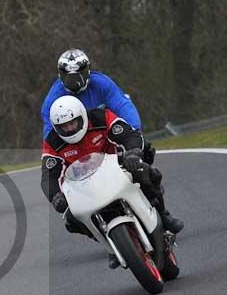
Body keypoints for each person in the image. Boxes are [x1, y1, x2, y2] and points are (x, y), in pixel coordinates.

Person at [41, 96, 184, 268]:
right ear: (56, 128)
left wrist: (133, 152)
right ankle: (110, 245)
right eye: (63, 127)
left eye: (73, 123)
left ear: (82, 115)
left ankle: (163, 215)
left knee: (149, 172)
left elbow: (129, 134)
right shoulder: (52, 142)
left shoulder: (101, 117)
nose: (70, 129)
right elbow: (48, 175)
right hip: (84, 184)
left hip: (117, 167)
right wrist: (55, 196)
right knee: (71, 218)